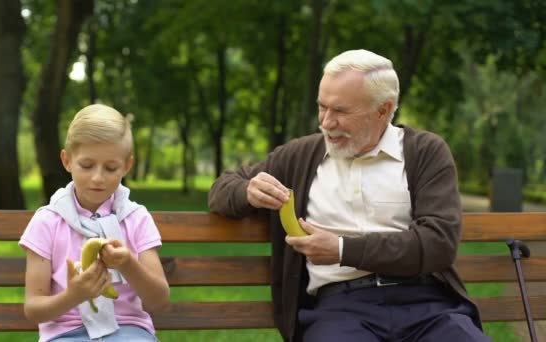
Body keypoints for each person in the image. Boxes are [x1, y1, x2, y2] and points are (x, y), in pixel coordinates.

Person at [208, 49, 490, 342]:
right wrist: (247, 191)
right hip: (341, 311)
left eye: (341, 111)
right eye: (322, 107)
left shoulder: (425, 152)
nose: (327, 122)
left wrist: (342, 249)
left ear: (383, 109)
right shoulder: (301, 155)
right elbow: (222, 188)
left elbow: (438, 242)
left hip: (428, 306)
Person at [19, 104, 170, 342]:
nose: (98, 178)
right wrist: (74, 295)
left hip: (129, 331)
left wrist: (129, 264)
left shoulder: (136, 218)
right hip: (65, 334)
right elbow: (33, 309)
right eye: (86, 166)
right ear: (67, 160)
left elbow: (160, 302)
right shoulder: (47, 222)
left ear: (127, 166)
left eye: (111, 168)